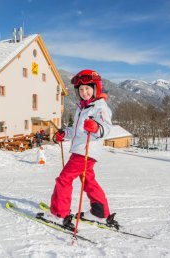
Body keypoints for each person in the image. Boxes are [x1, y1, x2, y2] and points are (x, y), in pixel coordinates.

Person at [50, 69, 118, 229]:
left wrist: (96, 127)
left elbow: (106, 129)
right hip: (83, 150)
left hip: (85, 151)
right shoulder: (83, 108)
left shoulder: (100, 107)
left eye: (88, 88)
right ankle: (99, 212)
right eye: (81, 90)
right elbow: (77, 130)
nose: (84, 92)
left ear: (96, 88)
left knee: (64, 179)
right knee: (88, 180)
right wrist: (64, 133)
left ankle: (59, 214)